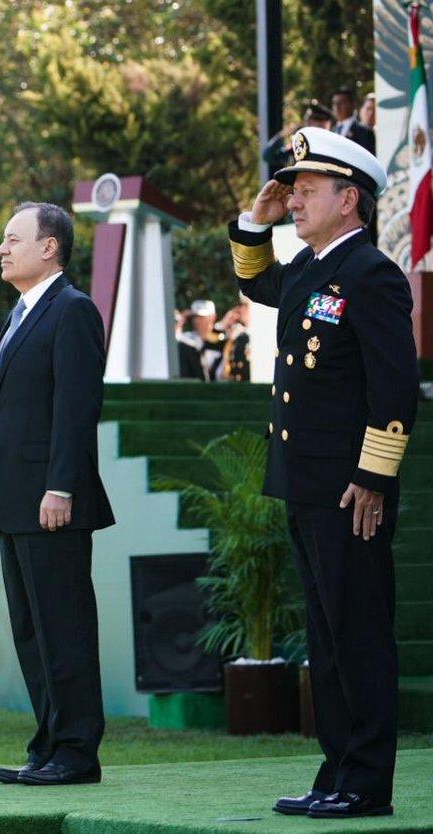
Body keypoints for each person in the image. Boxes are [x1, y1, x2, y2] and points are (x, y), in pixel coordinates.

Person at [229, 127, 418, 819]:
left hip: (347, 487)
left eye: (306, 191)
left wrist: (373, 478)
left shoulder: (369, 273)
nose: (294, 200)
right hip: (305, 482)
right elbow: (252, 276)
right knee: (326, 637)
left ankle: (365, 783)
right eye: (292, 190)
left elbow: (393, 389)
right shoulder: (311, 269)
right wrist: (257, 219)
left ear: (350, 199)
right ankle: (337, 770)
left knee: (358, 634)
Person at [0, 202, 114, 787]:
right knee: (31, 631)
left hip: (50, 501)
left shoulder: (72, 310)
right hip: (14, 502)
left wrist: (60, 485)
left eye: (13, 239)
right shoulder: (22, 312)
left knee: (64, 628)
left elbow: (76, 408)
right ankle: (48, 743)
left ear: (49, 248)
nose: (2, 249)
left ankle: (76, 752)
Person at [262, 101, 335, 176]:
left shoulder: (331, 146)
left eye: (317, 120)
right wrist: (281, 135)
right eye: (308, 120)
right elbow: (268, 156)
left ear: (327, 124)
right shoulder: (300, 145)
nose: (308, 123)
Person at [177, 299, 225, 380]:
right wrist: (180, 322)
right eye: (195, 317)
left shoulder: (222, 340)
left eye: (203, 317)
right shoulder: (186, 341)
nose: (197, 321)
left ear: (213, 317)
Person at [331, 87, 376, 154]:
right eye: (335, 103)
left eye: (341, 102)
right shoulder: (331, 131)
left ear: (353, 104)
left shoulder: (364, 132)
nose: (337, 107)